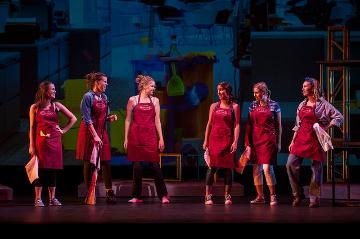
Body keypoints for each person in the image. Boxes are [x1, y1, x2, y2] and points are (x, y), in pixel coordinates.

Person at [287, 77, 343, 208]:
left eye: (305, 86)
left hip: (316, 139)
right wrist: (292, 140)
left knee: (316, 170)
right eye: (303, 86)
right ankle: (297, 194)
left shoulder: (323, 104)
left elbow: (339, 117)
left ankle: (314, 198)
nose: (302, 88)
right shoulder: (301, 104)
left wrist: (326, 128)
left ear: (313, 88)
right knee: (290, 164)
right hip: (301, 137)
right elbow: (297, 124)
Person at [29, 81, 77, 207]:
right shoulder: (35, 107)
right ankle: (38, 198)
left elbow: (73, 118)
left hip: (55, 142)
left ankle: (52, 198)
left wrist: (63, 130)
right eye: (52, 89)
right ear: (45, 91)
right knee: (39, 170)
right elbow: (32, 127)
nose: (55, 91)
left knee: (52, 170)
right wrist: (31, 145)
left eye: (55, 89)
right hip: (40, 142)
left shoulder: (56, 105)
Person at [124, 74, 170, 204]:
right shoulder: (133, 100)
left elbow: (157, 121)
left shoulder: (155, 100)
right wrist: (126, 138)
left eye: (154, 86)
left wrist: (161, 138)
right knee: (137, 167)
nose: (154, 88)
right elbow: (128, 120)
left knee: (155, 166)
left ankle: (163, 195)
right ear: (144, 86)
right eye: (152, 86)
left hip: (150, 136)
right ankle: (136, 196)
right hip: (135, 136)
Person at [76, 72, 118, 205]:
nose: (106, 84)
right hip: (89, 133)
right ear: (96, 82)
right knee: (89, 162)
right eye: (104, 81)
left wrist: (110, 118)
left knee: (105, 161)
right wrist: (95, 136)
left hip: (101, 132)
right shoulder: (87, 97)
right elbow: (87, 119)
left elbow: (104, 115)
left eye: (106, 81)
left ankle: (109, 192)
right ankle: (90, 194)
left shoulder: (104, 97)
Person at [203, 82, 240, 205]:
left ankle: (227, 196)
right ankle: (208, 196)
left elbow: (237, 125)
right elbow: (209, 124)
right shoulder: (214, 106)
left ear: (228, 91)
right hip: (214, 140)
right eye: (218, 90)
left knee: (227, 169)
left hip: (228, 140)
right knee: (212, 168)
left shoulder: (234, 107)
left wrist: (235, 141)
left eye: (222, 90)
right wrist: (205, 140)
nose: (219, 92)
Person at [244, 82, 282, 206]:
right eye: (254, 92)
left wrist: (279, 142)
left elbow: (278, 126)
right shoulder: (253, 105)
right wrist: (248, 144)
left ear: (264, 92)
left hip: (268, 140)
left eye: (257, 92)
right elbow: (249, 125)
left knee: (267, 168)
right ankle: (260, 196)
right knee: (256, 169)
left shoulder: (274, 105)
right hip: (255, 139)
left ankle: (273, 196)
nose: (255, 95)